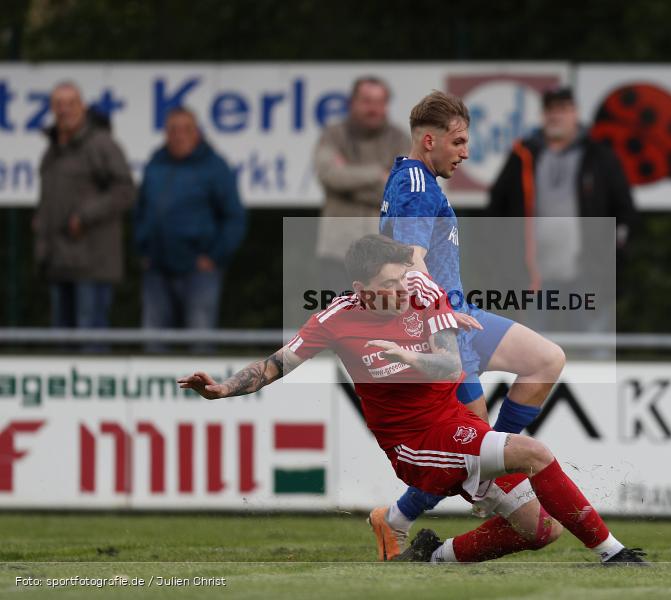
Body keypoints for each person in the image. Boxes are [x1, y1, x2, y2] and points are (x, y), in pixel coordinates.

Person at [177, 234, 646, 566]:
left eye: (404, 280)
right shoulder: (334, 320)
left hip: (455, 422)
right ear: (360, 291)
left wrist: (408, 352)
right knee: (534, 453)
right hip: (416, 445)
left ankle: (433, 556)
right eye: (389, 285)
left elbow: (448, 365)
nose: (402, 292)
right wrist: (221, 388)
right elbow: (275, 365)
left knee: (542, 531)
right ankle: (614, 554)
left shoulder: (420, 291)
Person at [374, 91, 566, 558]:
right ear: (428, 140)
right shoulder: (417, 185)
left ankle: (416, 508)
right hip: (440, 328)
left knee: (545, 360)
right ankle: (398, 519)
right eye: (458, 142)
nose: (466, 152)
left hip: (464, 317)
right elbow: (411, 256)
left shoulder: (419, 181)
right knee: (474, 453)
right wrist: (430, 302)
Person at [487, 86, 636, 334]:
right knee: (532, 348)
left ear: (575, 113)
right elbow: (497, 206)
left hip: (588, 273)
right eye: (550, 110)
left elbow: (625, 210)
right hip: (533, 273)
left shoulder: (599, 156)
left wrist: (612, 252)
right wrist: (504, 253)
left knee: (592, 346)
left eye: (563, 109)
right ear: (542, 115)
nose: (556, 116)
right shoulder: (523, 155)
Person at [134, 107, 246, 350]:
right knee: (153, 345)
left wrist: (214, 257)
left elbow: (234, 217)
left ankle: (203, 390)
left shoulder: (214, 167)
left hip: (199, 271)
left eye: (185, 129)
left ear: (197, 133)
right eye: (173, 129)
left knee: (200, 344)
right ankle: (156, 389)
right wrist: (144, 248)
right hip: (157, 269)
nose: (178, 135)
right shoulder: (156, 163)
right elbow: (141, 209)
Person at [33, 81, 135, 335]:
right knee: (61, 347)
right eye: (58, 104)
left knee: (91, 346)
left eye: (71, 103)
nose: (64, 110)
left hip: (92, 265)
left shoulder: (101, 144)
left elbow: (125, 191)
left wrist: (84, 217)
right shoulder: (51, 152)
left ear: (83, 107)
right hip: (59, 263)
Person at [314, 76, 409, 296]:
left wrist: (348, 183)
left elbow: (401, 192)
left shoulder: (400, 140)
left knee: (381, 326)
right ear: (352, 103)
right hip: (337, 252)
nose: (373, 109)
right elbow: (330, 175)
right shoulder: (332, 135)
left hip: (386, 258)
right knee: (336, 323)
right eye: (367, 101)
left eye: (379, 102)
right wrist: (378, 174)